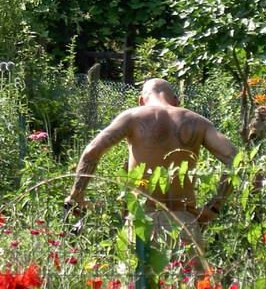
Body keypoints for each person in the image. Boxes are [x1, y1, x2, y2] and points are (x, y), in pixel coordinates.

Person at [64, 78, 238, 258]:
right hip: (184, 223)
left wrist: (77, 195)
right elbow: (236, 161)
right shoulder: (198, 122)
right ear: (176, 100)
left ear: (141, 100)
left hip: (142, 222)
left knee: (139, 284)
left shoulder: (133, 117)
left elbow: (92, 151)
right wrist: (213, 207)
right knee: (187, 284)